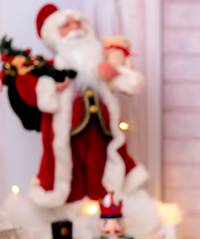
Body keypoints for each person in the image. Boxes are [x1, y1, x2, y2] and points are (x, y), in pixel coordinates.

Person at [8, 3, 148, 207]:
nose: (76, 28)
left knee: (100, 166)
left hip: (100, 131)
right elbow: (35, 95)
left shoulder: (100, 65)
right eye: (67, 25)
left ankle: (100, 204)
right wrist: (53, 86)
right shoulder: (52, 69)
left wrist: (115, 72)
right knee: (68, 170)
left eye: (79, 23)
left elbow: (133, 84)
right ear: (54, 35)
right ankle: (72, 206)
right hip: (67, 133)